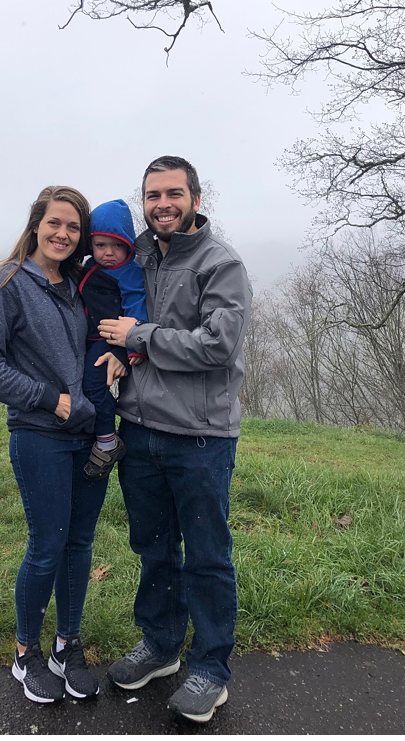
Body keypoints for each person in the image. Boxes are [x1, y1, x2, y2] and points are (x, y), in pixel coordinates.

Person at [97, 155, 252, 723]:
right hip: (140, 430)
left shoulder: (221, 263)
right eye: (152, 194)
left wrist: (140, 335)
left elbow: (218, 346)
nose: (162, 203)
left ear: (195, 197)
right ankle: (161, 647)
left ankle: (211, 668)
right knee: (153, 548)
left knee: (207, 557)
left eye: (172, 193)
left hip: (200, 437)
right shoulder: (134, 254)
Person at [0, 185, 125, 704]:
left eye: (72, 227)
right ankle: (26, 654)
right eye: (54, 223)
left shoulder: (78, 283)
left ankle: (66, 645)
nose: (62, 234)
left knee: (79, 545)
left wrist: (122, 354)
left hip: (88, 437)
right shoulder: (8, 283)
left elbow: (97, 340)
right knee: (47, 546)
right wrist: (49, 399)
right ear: (36, 224)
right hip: (39, 435)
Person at [77, 198, 148, 479]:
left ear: (129, 245)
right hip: (91, 338)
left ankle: (108, 440)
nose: (109, 253)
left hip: (112, 338)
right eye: (101, 245)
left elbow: (136, 305)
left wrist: (132, 346)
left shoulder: (129, 271)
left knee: (93, 384)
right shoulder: (89, 266)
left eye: (117, 245)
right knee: (87, 384)